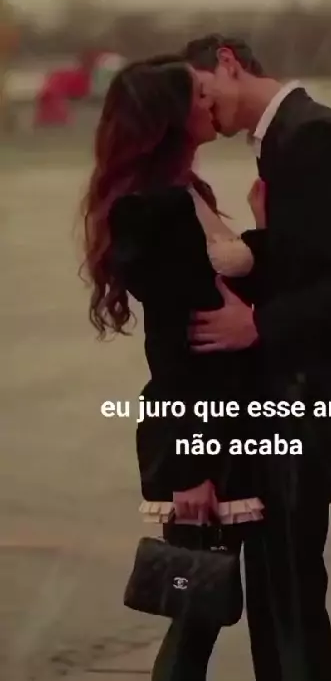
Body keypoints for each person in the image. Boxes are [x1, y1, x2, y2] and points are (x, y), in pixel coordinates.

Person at [183, 34, 331, 680]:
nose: (202, 109)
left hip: (315, 383)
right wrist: (264, 237)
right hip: (295, 379)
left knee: (287, 572)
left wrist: (258, 324)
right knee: (277, 568)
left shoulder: (313, 134)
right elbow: (312, 260)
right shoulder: (282, 140)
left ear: (229, 62)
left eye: (203, 90)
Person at [80, 55, 267, 681]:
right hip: (199, 429)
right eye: (196, 96)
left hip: (230, 418)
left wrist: (263, 229)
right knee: (196, 611)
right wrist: (191, 468)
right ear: (169, 118)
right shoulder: (152, 207)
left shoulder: (188, 192)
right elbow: (172, 350)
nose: (209, 101)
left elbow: (227, 290)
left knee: (201, 610)